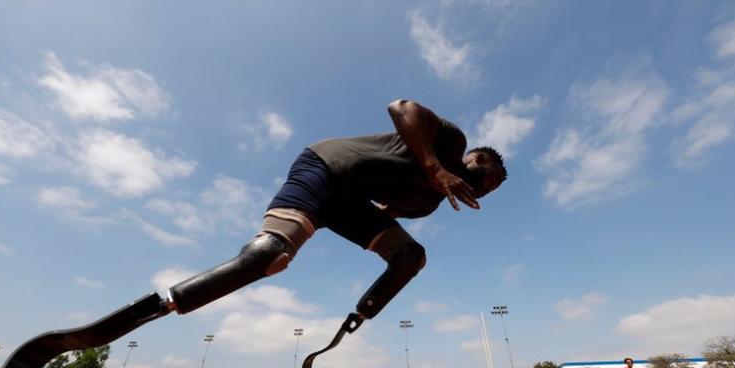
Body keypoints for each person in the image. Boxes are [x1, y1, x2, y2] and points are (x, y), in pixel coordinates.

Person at [166, 100, 508, 327]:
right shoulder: (452, 144)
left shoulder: (427, 204)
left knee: (410, 256)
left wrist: (380, 246)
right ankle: (165, 303)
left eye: (491, 192)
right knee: (271, 255)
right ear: (477, 159)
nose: (486, 190)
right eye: (490, 179)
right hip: (325, 167)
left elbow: (382, 217)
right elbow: (401, 107)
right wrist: (434, 167)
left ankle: (361, 314)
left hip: (348, 203)